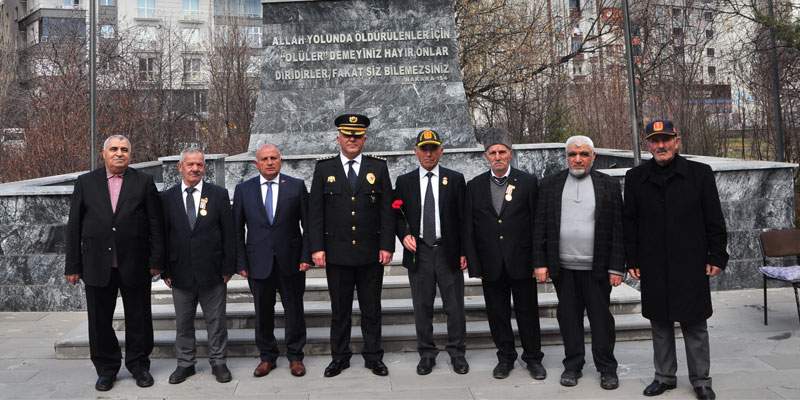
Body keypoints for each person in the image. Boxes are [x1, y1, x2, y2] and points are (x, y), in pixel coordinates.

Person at [624, 120, 728, 400]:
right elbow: (630, 223)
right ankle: (664, 377)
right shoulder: (636, 178)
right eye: (655, 141)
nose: (661, 146)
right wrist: (631, 258)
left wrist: (717, 255)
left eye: (666, 140)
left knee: (695, 323)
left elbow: (714, 219)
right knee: (659, 323)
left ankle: (701, 380)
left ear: (677, 141)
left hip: (690, 263)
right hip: (653, 263)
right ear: (648, 144)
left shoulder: (699, 174)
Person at [65, 135, 165, 391]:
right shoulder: (86, 183)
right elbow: (74, 226)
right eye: (114, 149)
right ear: (104, 153)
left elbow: (156, 224)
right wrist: (73, 265)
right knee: (99, 321)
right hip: (96, 264)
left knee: (139, 318)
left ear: (130, 155)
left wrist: (157, 260)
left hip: (136, 263)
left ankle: (139, 366)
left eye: (124, 150)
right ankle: (106, 369)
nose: (119, 153)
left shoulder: (143, 182)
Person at [533, 135, 624, 390]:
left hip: (597, 268)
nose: (578, 159)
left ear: (593, 156)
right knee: (569, 318)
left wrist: (617, 266)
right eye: (573, 154)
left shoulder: (608, 185)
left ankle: (607, 368)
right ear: (566, 157)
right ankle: (573, 366)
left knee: (601, 321)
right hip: (563, 268)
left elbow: (618, 227)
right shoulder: (550, 185)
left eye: (583, 154)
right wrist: (540, 263)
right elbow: (540, 225)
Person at [308, 113, 395, 377]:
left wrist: (387, 245)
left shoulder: (378, 168)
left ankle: (373, 357)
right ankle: (340, 357)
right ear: (339, 139)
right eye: (347, 135)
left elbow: (386, 211)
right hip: (337, 254)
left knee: (372, 310)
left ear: (365, 139)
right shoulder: (324, 169)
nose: (352, 140)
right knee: (340, 310)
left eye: (357, 136)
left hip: (370, 253)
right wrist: (317, 248)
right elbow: (316, 212)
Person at [463, 127, 546, 380]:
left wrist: (539, 261)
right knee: (497, 314)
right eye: (492, 152)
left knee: (527, 313)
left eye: (502, 151)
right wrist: (475, 265)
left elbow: (537, 223)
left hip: (521, 261)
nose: (497, 156)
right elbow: (469, 227)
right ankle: (505, 357)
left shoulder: (528, 182)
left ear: (510, 153)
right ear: (486, 156)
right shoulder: (475, 186)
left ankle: (533, 358)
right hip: (491, 264)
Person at [393, 129, 469, 375]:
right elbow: (396, 214)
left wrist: (464, 250)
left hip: (447, 250)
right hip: (420, 253)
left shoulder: (455, 179)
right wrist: (404, 234)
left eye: (433, 149)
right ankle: (427, 353)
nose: (428, 153)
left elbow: (464, 218)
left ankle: (457, 352)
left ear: (441, 151)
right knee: (422, 306)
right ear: (416, 152)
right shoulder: (404, 181)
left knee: (454, 306)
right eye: (423, 149)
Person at [233, 144, 312, 378]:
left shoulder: (296, 187)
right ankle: (267, 357)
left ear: (281, 161)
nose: (269, 162)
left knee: (295, 310)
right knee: (263, 312)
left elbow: (308, 226)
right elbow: (237, 230)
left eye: (274, 158)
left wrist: (307, 256)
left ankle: (296, 357)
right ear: (256, 164)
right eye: (264, 159)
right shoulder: (243, 190)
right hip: (258, 262)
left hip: (292, 261)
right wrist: (241, 263)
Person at [161, 148, 235, 384]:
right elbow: (163, 235)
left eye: (200, 165)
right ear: (180, 167)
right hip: (180, 273)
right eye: (190, 164)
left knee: (217, 322)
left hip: (213, 273)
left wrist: (228, 267)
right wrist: (165, 269)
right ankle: (185, 364)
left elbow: (229, 234)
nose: (195, 169)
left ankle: (219, 362)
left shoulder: (218, 194)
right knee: (183, 323)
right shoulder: (167, 198)